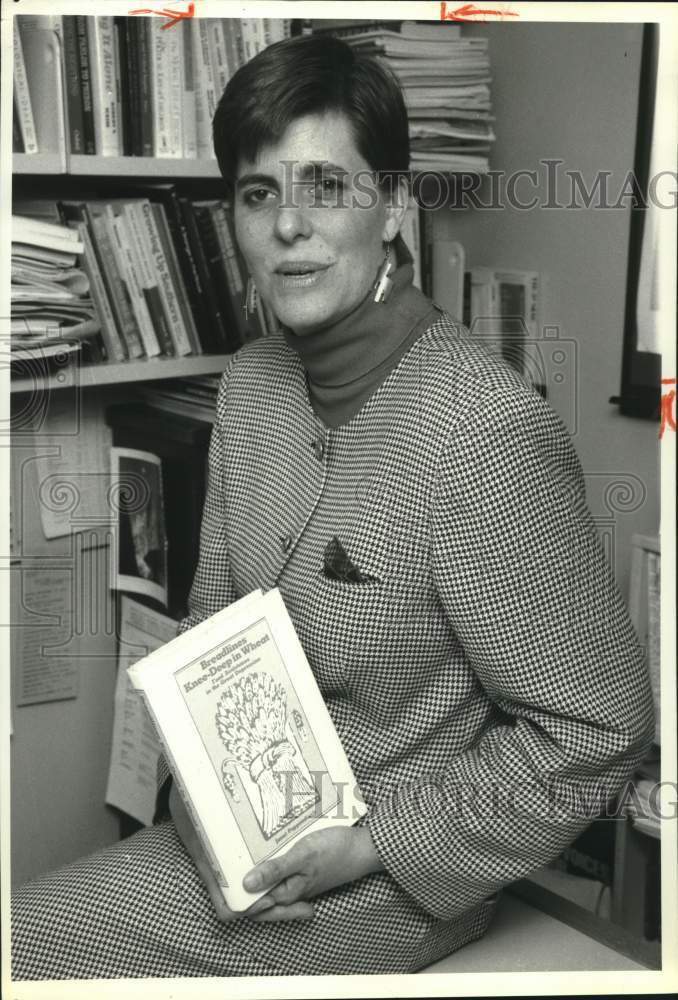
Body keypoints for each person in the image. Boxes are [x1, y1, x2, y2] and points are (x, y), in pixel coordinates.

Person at [12, 33, 654, 979]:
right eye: (258, 193)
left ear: (394, 206)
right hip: (235, 846)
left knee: (22, 943)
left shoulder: (479, 429)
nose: (288, 226)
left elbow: (599, 731)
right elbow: (210, 625)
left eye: (327, 186)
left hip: (393, 885)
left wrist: (371, 845)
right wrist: (202, 804)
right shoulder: (251, 385)